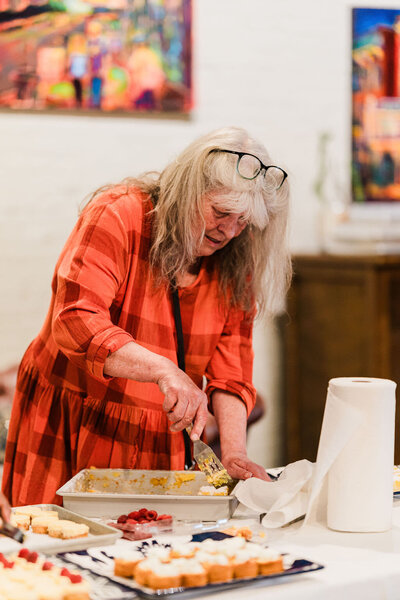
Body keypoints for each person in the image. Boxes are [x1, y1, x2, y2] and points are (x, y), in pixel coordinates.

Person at [2, 126, 291, 506]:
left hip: (157, 437)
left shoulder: (236, 259)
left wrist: (233, 452)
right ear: (189, 188)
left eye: (244, 222)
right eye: (221, 212)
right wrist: (164, 371)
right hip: (73, 423)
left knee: (145, 555)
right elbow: (75, 320)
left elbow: (232, 371)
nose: (230, 231)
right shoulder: (120, 214)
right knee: (53, 550)